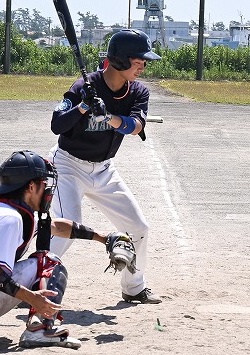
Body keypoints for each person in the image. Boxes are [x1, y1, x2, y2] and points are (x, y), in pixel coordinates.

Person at [0, 150, 120, 349]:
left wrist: (103, 237)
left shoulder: (6, 211)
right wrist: (32, 298)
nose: (47, 189)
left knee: (21, 266)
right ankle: (40, 330)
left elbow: (56, 227)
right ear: (31, 187)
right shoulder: (9, 219)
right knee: (49, 262)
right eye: (44, 183)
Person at [48, 28, 162, 304]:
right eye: (139, 62)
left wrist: (108, 117)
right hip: (67, 166)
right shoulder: (83, 87)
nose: (143, 68)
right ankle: (31, 280)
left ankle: (134, 288)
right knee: (68, 228)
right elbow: (57, 125)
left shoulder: (138, 91)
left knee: (138, 227)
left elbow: (136, 126)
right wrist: (83, 107)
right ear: (121, 60)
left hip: (103, 170)